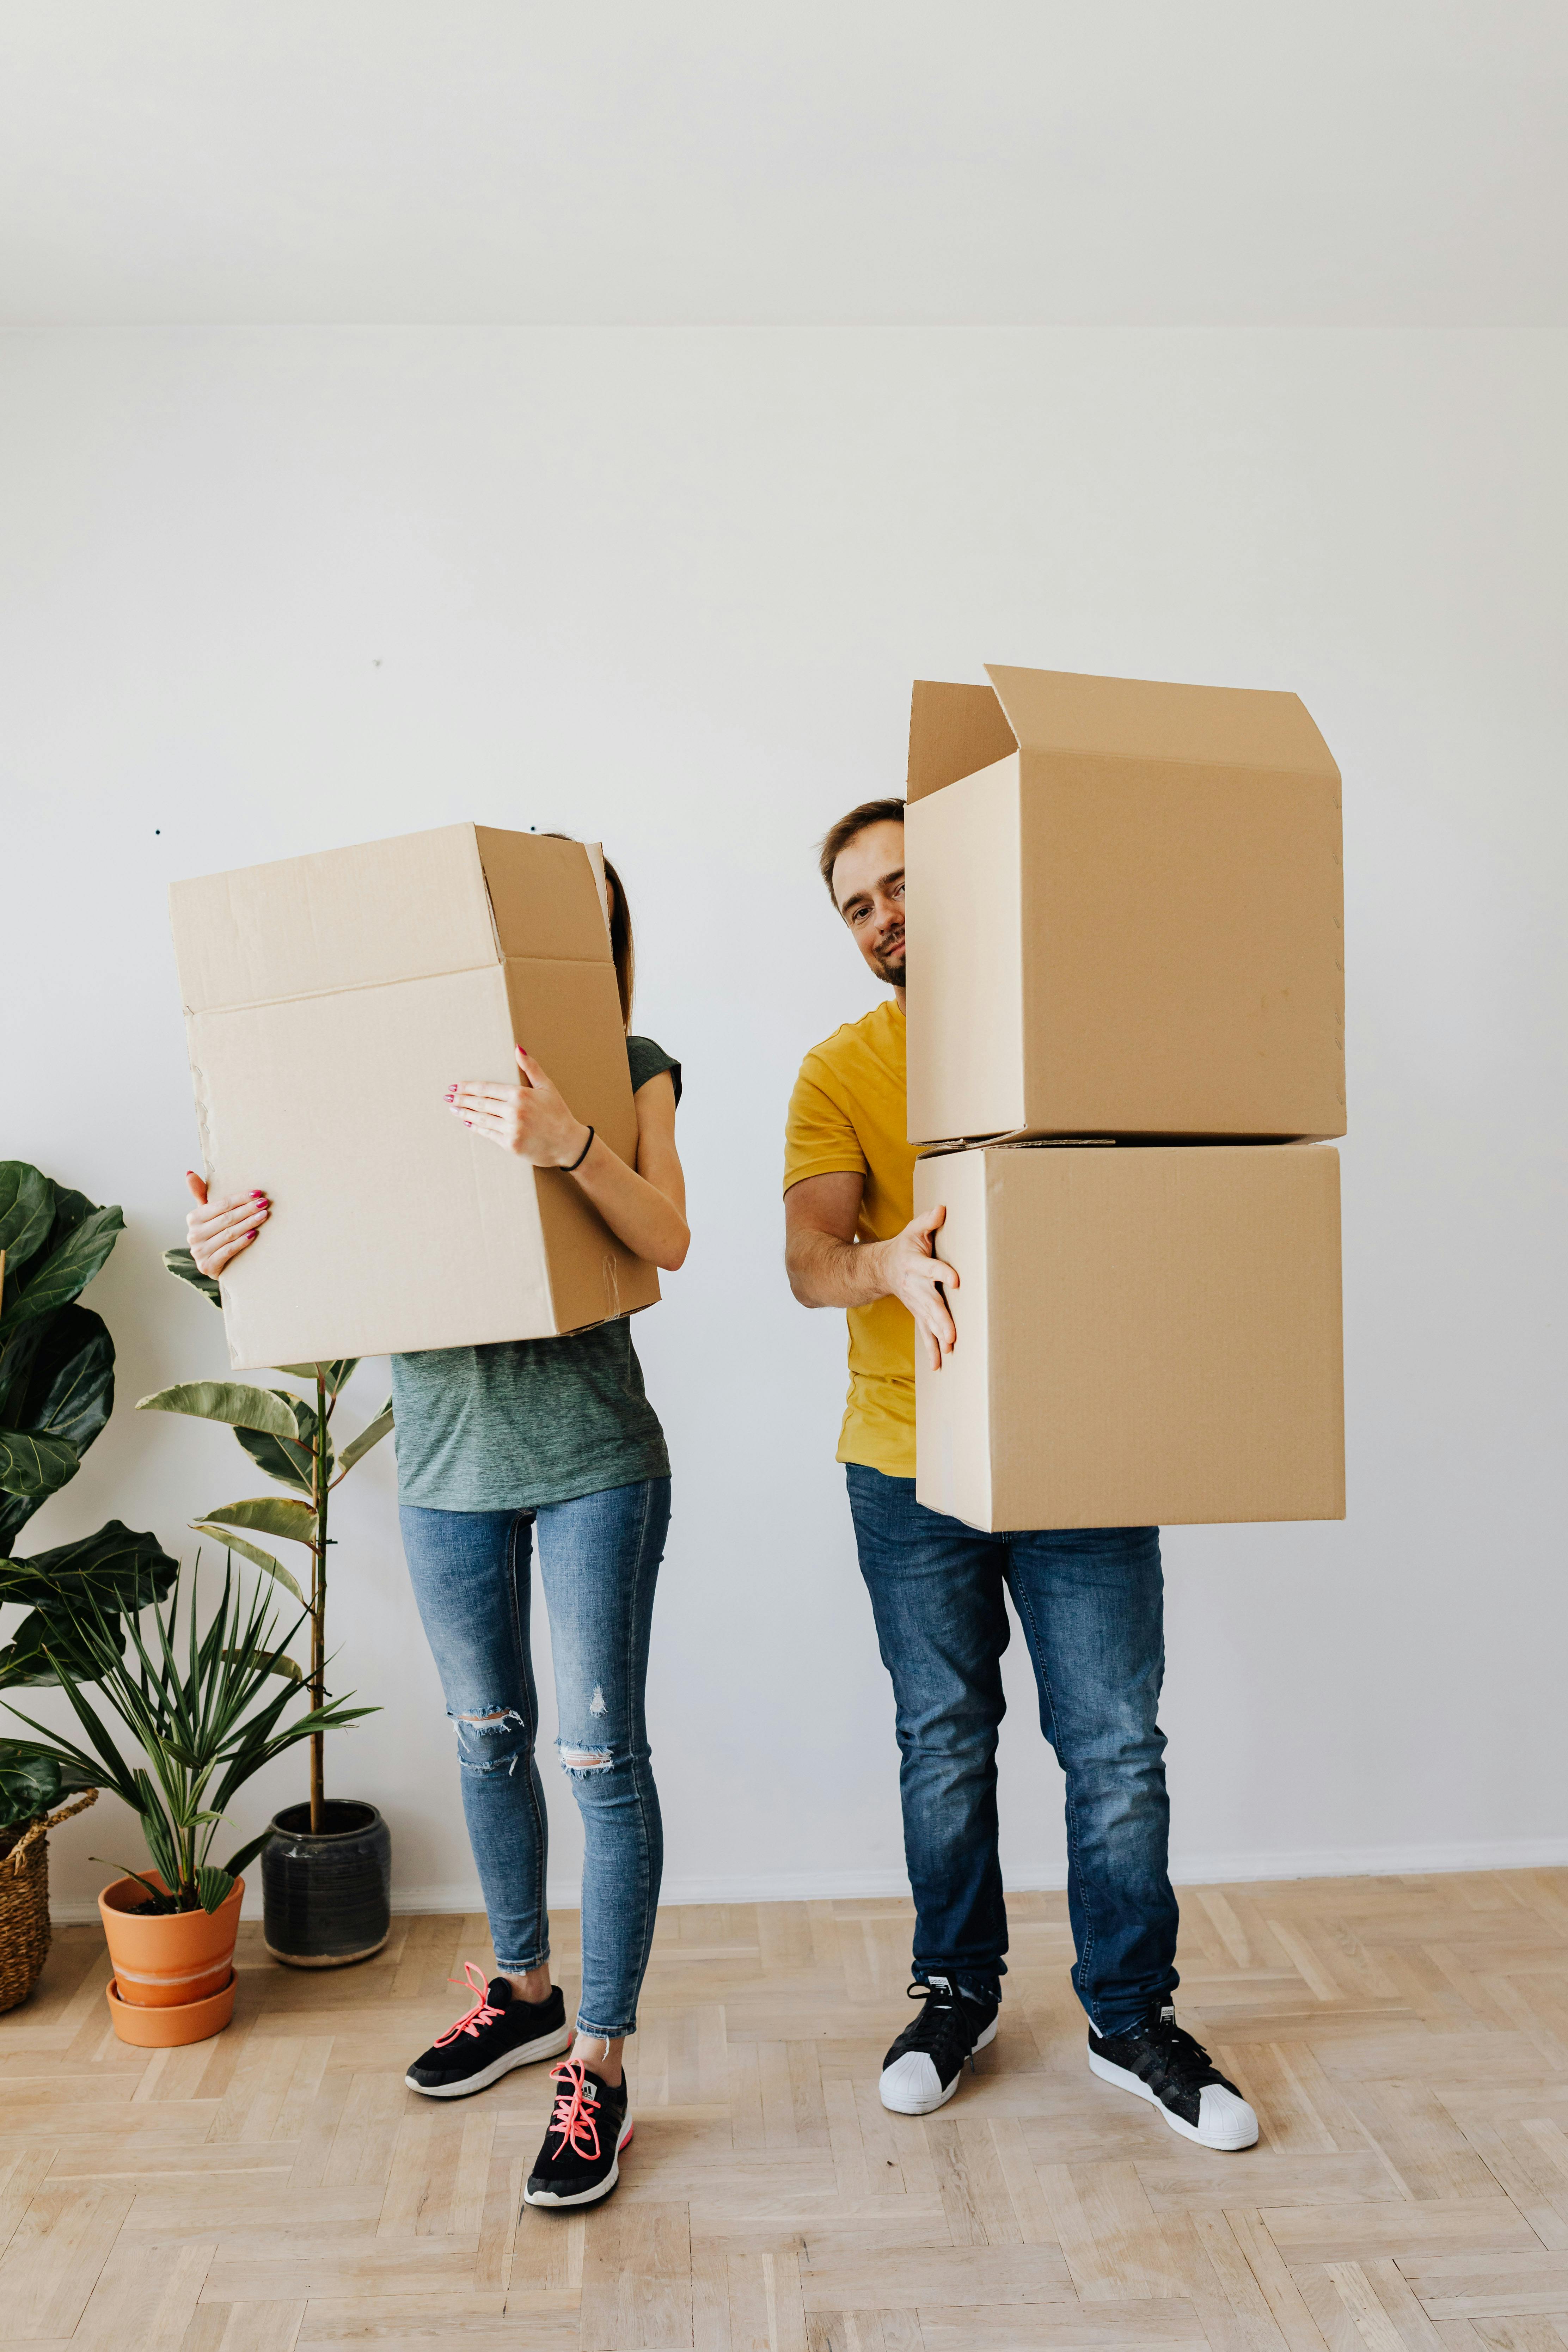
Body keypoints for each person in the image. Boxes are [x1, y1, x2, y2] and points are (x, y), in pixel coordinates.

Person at [183, 850, 687, 2211]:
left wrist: (567, 1141)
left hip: (595, 1461)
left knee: (596, 1757)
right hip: (445, 1470)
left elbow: (670, 1238)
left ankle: (604, 2062)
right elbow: (323, 1248)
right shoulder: (383, 1074)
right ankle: (522, 1992)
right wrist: (238, 1245)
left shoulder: (634, 1062)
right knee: (486, 1742)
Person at [781, 797, 1257, 2150]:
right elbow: (812, 1261)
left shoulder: (1082, 1036)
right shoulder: (840, 1070)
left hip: (1079, 1445)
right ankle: (955, 1995)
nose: (885, 920)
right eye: (859, 907)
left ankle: (1131, 2016)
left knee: (1114, 1746)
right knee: (943, 1740)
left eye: (903, 887)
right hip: (906, 1463)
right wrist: (886, 1262)